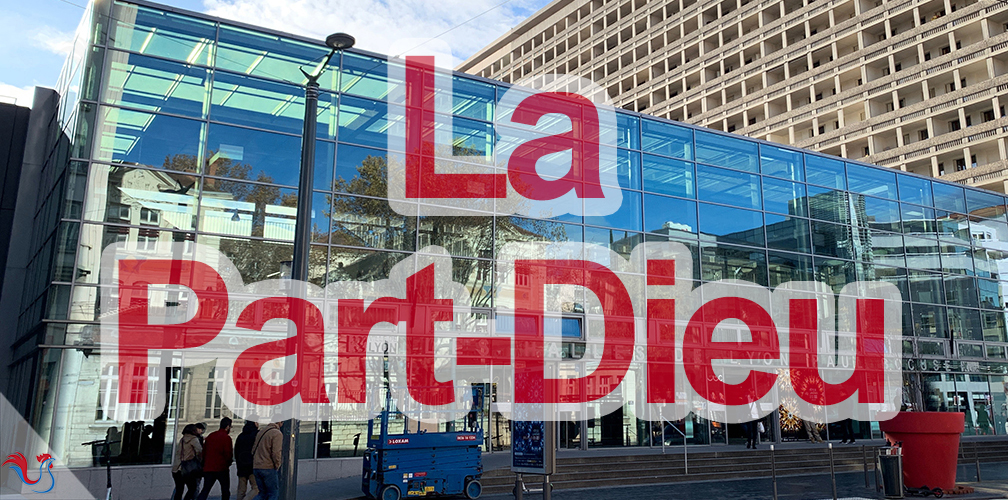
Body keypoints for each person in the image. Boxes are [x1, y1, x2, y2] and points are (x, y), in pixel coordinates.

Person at [197, 417, 234, 500]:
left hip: (209, 467)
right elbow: (228, 454)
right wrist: (228, 463)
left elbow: (204, 451)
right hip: (221, 468)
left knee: (205, 490)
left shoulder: (211, 436)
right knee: (225, 491)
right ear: (227, 427)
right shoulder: (226, 438)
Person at [252, 421, 283, 500]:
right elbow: (276, 452)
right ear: (280, 422)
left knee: (262, 494)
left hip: (257, 466)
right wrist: (277, 465)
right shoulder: (277, 433)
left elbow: (253, 450)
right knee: (273, 493)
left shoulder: (261, 432)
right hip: (268, 467)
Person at [171, 424, 203, 500]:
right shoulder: (194, 439)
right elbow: (199, 451)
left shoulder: (182, 439)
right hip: (188, 469)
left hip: (177, 468)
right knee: (192, 488)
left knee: (179, 489)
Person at [234, 420, 260, 500]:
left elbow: (236, 451)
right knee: (256, 488)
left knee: (241, 490)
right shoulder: (257, 435)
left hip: (241, 465)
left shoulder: (241, 436)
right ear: (255, 423)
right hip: (252, 465)